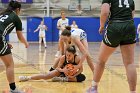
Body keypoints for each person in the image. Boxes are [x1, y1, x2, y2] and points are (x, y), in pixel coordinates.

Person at [87, 0, 137, 93]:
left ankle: (93, 88)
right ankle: (133, 91)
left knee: (101, 60)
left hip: (115, 26)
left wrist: (102, 26)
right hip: (129, 26)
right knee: (130, 63)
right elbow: (132, 14)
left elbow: (105, 12)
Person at [0, 1, 29, 93]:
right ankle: (13, 89)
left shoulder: (2, 14)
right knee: (9, 64)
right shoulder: (16, 18)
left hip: (1, 39)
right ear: (17, 9)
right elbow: (20, 37)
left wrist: (5, 42)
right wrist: (26, 43)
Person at [19, 45, 86, 82]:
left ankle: (62, 79)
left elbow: (81, 70)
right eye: (67, 55)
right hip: (62, 71)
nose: (68, 57)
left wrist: (73, 76)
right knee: (46, 76)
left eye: (70, 55)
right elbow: (58, 68)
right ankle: (27, 77)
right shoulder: (63, 57)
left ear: (74, 54)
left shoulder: (77, 59)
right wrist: (63, 70)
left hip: (71, 74)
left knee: (82, 77)